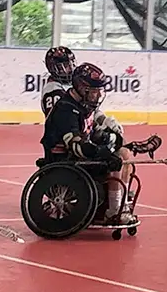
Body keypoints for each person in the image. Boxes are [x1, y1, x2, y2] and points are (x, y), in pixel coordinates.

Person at [41, 62, 136, 224]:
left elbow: (93, 133)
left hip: (77, 157)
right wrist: (105, 152)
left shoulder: (83, 105)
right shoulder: (66, 109)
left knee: (124, 151)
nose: (98, 96)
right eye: (94, 91)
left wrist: (113, 138)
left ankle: (120, 204)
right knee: (117, 159)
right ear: (81, 88)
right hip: (66, 160)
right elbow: (77, 146)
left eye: (100, 91)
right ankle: (114, 210)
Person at [40, 46, 125, 140]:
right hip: (65, 138)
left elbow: (88, 108)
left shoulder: (75, 82)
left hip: (80, 129)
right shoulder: (53, 90)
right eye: (64, 67)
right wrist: (97, 126)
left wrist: (104, 120)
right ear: (52, 68)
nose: (70, 69)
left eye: (71, 64)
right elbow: (62, 119)